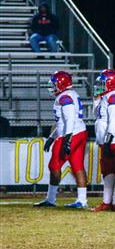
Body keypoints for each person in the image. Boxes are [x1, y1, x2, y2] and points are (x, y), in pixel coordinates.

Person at [34, 71, 88, 208]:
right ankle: (82, 200)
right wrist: (52, 137)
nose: (52, 87)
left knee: (54, 165)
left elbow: (69, 119)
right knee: (77, 166)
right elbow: (63, 122)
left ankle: (51, 199)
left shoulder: (64, 97)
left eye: (54, 84)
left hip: (70, 134)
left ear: (62, 84)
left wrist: (67, 138)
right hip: (79, 131)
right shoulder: (71, 94)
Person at [91, 69, 115, 212]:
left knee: (114, 169)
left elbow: (114, 119)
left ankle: (114, 202)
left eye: (103, 83)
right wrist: (96, 99)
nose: (99, 86)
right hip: (110, 136)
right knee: (110, 170)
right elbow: (98, 115)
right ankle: (111, 202)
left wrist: (108, 139)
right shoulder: (109, 95)